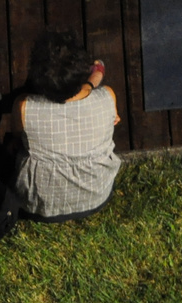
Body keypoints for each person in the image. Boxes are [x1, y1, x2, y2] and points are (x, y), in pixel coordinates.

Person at [11, 31, 121, 222]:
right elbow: (88, 90)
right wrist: (96, 74)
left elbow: (16, 139)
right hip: (96, 195)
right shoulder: (107, 97)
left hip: (39, 204)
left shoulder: (24, 106)